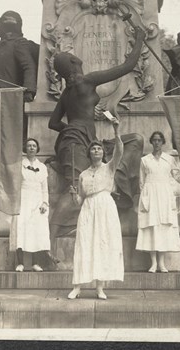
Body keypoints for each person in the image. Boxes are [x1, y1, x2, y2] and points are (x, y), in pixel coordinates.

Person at [47, 25, 146, 238]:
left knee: (135, 140)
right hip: (76, 143)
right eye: (74, 57)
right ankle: (50, 238)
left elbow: (53, 123)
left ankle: (116, 190)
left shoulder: (67, 93)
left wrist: (72, 129)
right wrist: (139, 38)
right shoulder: (87, 80)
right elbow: (128, 66)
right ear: (73, 64)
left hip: (84, 140)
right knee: (75, 189)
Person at [67, 118, 124, 300]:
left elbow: (119, 152)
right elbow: (79, 201)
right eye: (93, 148)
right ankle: (77, 287)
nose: (96, 150)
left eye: (99, 148)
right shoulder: (83, 174)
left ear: (102, 152)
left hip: (105, 208)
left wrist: (116, 131)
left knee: (102, 244)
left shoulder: (109, 168)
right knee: (84, 244)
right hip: (88, 209)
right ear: (89, 153)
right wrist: (73, 194)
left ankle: (100, 287)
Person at [136, 131, 180, 272]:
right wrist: (145, 198)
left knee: (163, 227)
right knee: (152, 227)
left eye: (159, 140)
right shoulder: (145, 160)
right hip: (150, 195)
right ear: (151, 142)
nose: (157, 143)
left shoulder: (169, 159)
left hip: (165, 195)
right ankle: (153, 263)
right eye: (154, 140)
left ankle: (162, 263)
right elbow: (141, 181)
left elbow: (177, 178)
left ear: (163, 142)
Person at [9, 138, 51, 272]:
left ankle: (35, 263)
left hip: (38, 201)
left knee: (37, 230)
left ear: (37, 149)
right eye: (29, 146)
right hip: (23, 200)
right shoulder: (19, 165)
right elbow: (14, 186)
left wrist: (45, 202)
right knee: (20, 229)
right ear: (25, 149)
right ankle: (20, 263)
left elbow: (45, 188)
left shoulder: (43, 167)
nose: (31, 148)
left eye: (34, 146)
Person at [0, 10, 39, 103]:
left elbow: (29, 66)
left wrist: (29, 91)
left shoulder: (18, 44)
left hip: (12, 100)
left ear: (8, 27)